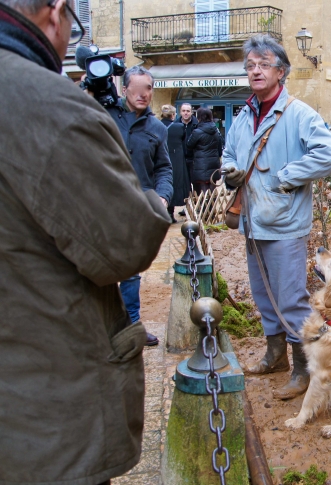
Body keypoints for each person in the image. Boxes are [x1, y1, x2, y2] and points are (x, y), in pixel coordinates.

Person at [0, 0, 170, 481]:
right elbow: (122, 245)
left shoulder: (150, 126)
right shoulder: (44, 101)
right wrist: (152, 208)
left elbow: (162, 165)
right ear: (55, 13)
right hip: (40, 407)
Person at [222, 34, 331, 400]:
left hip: (285, 224)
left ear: (282, 72)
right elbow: (229, 151)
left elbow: (329, 156)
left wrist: (283, 178)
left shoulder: (298, 113)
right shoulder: (244, 115)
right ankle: (275, 356)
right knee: (263, 294)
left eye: (264, 64)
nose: (255, 71)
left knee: (289, 297)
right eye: (250, 66)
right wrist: (229, 169)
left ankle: (304, 367)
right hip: (253, 221)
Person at [105, 65, 173, 347]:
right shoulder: (105, 116)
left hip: (138, 207)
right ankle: (103, 324)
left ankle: (132, 324)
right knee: (102, 266)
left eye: (148, 89)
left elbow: (164, 168)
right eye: (137, 89)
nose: (143, 94)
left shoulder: (157, 128)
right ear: (124, 90)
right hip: (103, 203)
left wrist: (162, 195)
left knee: (131, 269)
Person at [187, 107, 223, 194]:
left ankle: (204, 208)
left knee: (203, 193)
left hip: (201, 164)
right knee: (212, 190)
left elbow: (189, 145)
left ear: (199, 117)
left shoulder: (197, 132)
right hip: (214, 163)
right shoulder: (216, 130)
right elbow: (220, 147)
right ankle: (211, 207)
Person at [167, 119, 191, 221]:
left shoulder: (157, 125)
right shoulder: (179, 127)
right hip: (177, 159)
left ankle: (168, 213)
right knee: (176, 184)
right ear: (173, 115)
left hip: (163, 158)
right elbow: (185, 143)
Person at [176, 102, 198, 194]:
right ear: (180, 112)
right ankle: (187, 205)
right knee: (184, 186)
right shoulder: (175, 125)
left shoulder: (197, 124)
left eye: (188, 111)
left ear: (191, 112)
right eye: (183, 111)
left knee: (196, 184)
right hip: (180, 160)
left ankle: (197, 206)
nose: (185, 113)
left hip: (194, 159)